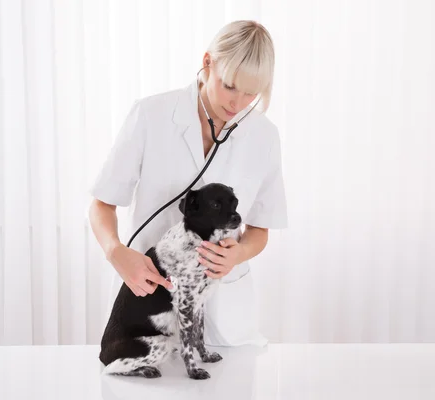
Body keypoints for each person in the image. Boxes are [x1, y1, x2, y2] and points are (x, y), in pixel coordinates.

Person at [88, 20, 288, 347]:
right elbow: (102, 202)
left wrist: (238, 254)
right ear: (207, 62)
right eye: (229, 85)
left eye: (251, 92)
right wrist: (115, 252)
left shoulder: (264, 137)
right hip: (150, 301)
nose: (237, 103)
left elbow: (260, 229)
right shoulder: (150, 115)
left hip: (225, 321)